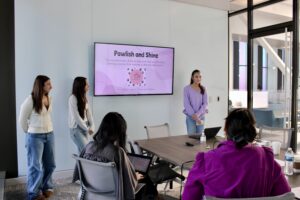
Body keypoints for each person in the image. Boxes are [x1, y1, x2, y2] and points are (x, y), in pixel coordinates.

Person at [182, 108, 291, 200]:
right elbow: (285, 195)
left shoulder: (206, 161)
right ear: (252, 130)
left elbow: (188, 197)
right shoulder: (267, 159)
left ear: (226, 130)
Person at [80, 112, 158, 200]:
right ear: (120, 131)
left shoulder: (88, 146)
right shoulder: (117, 152)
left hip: (91, 192)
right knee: (147, 182)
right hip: (114, 194)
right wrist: (135, 176)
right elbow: (128, 182)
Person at [19, 75, 56, 200]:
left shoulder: (49, 98)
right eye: (48, 84)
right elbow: (22, 119)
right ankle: (34, 193)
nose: (51, 86)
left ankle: (47, 187)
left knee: (50, 164)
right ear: (41, 86)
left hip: (50, 134)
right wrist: (29, 132)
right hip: (35, 137)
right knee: (35, 166)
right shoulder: (31, 99)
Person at [69, 76, 95, 153]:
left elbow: (89, 114)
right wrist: (87, 128)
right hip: (76, 129)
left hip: (85, 128)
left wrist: (92, 127)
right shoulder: (73, 98)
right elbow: (77, 117)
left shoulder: (84, 98)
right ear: (81, 86)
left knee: (83, 154)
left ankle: (80, 165)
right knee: (88, 151)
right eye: (86, 84)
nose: (88, 86)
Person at [183, 69, 208, 135]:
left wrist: (197, 115)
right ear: (192, 77)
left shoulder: (203, 88)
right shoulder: (186, 89)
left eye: (200, 77)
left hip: (201, 117)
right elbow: (186, 104)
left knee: (201, 137)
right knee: (191, 138)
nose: (198, 78)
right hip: (190, 117)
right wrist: (193, 115)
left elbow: (205, 103)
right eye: (196, 76)